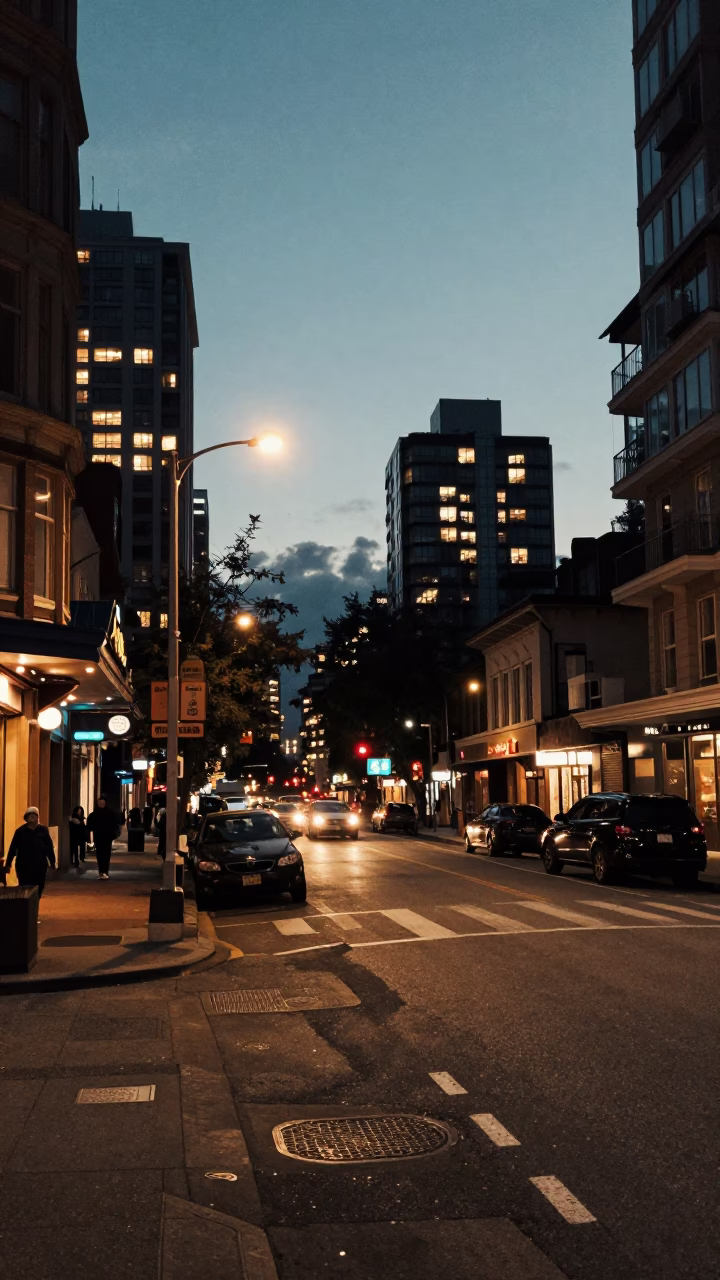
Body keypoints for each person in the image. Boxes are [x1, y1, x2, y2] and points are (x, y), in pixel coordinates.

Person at [6, 808, 55, 915]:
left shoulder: (43, 830)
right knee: (25, 888)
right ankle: (26, 913)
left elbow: (49, 847)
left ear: (38, 817)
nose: (33, 818)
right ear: (26, 818)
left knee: (38, 889)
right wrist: (8, 864)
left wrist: (52, 862)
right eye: (30, 816)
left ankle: (34, 912)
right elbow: (13, 848)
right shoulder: (20, 832)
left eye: (35, 815)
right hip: (24, 865)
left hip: (40, 865)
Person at [87, 796, 119, 879]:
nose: (101, 805)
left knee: (106, 854)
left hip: (107, 837)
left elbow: (115, 824)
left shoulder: (110, 813)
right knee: (100, 854)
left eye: (102, 803)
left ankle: (105, 871)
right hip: (98, 837)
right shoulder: (94, 814)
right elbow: (90, 824)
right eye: (100, 803)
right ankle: (101, 871)